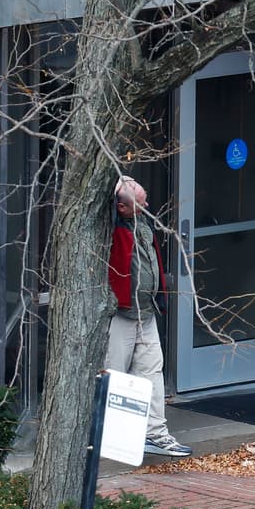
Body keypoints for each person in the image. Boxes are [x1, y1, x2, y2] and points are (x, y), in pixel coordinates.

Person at [106, 176, 190, 457]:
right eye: (141, 203)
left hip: (146, 311)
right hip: (120, 313)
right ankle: (109, 436)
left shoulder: (140, 222)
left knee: (152, 372)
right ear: (122, 207)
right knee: (113, 375)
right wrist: (118, 184)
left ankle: (155, 433)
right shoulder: (111, 225)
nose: (147, 206)